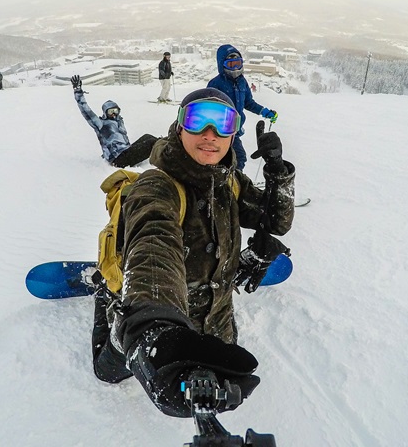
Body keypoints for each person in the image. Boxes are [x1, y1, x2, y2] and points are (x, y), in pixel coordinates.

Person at [92, 87, 295, 418]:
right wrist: (153, 329)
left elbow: (276, 221)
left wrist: (277, 172)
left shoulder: (228, 181)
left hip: (215, 315)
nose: (210, 135)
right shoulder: (157, 187)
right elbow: (154, 245)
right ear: (179, 127)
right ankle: (108, 297)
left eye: (224, 124)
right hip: (159, 308)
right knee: (109, 371)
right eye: (198, 121)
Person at [207, 44, 278, 171]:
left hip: (235, 130)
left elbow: (248, 102)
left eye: (237, 64)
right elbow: (208, 109)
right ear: (222, 65)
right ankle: (231, 182)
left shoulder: (242, 82)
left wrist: (264, 112)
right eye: (231, 64)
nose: (235, 68)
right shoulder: (215, 84)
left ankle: (229, 180)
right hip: (220, 130)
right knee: (238, 157)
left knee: (234, 158)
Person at [70, 75, 158, 168]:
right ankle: (167, 154)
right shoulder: (101, 124)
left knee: (148, 136)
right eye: (110, 111)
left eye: (115, 111)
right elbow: (86, 111)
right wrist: (78, 91)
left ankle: (165, 143)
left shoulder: (119, 121)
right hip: (118, 159)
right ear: (105, 112)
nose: (113, 114)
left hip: (126, 151)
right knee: (152, 143)